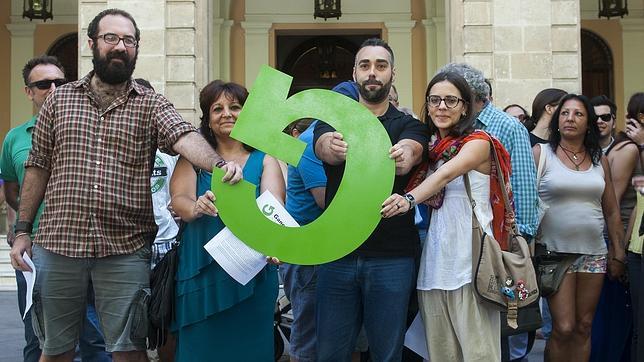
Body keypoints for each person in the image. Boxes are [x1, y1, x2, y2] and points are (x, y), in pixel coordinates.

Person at [8, 9, 243, 361]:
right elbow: (37, 167)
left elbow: (183, 137)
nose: (120, 46)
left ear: (136, 47)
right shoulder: (59, 100)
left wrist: (218, 162)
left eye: (128, 40)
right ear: (92, 43)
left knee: (129, 350)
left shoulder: (151, 104)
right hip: (59, 246)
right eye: (111, 38)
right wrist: (23, 228)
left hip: (124, 249)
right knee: (54, 350)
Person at [381, 70, 510, 361]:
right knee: (441, 354)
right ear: (427, 105)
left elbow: (445, 175)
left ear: (466, 106)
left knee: (479, 354)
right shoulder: (432, 150)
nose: (441, 107)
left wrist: (408, 199)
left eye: (451, 101)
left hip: (471, 261)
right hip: (436, 263)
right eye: (435, 100)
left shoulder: (478, 142)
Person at [313, 38, 429, 361]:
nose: (372, 73)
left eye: (380, 66)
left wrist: (405, 154)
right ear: (354, 74)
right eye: (365, 66)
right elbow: (322, 144)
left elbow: (413, 150)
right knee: (330, 353)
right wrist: (330, 146)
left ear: (393, 73)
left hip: (392, 256)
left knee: (387, 353)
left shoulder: (410, 125)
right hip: (337, 253)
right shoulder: (336, 121)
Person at [0, 55, 111, 362]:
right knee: (39, 338)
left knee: (96, 340)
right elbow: (12, 191)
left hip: (90, 249)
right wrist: (27, 226)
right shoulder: (15, 138)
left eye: (60, 82)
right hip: (36, 251)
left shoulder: (93, 130)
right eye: (43, 84)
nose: (53, 88)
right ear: (29, 92)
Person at [170, 80, 283, 361]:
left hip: (251, 269)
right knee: (200, 349)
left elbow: (275, 210)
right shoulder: (193, 159)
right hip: (200, 270)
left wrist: (276, 246)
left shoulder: (265, 158)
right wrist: (196, 207)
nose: (226, 113)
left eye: (235, 107)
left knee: (250, 350)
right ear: (207, 118)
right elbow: (178, 201)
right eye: (217, 108)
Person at [438, 62, 539, 361]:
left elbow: (522, 185)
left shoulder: (506, 126)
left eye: (457, 96)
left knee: (497, 317)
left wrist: (520, 239)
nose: (449, 103)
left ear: (473, 98)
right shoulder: (452, 128)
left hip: (496, 240)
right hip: (462, 242)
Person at [533, 93, 625, 361]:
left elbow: (611, 210)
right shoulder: (542, 153)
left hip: (594, 253)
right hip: (554, 254)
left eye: (578, 114)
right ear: (557, 120)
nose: (570, 119)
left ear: (589, 123)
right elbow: (524, 202)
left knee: (584, 326)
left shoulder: (600, 160)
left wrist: (617, 252)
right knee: (563, 327)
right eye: (565, 113)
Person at [589, 95, 637, 362]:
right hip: (595, 239)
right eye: (594, 117)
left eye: (605, 117)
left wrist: (616, 250)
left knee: (615, 315)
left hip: (618, 239)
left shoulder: (624, 150)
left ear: (614, 120)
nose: (600, 122)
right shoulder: (587, 150)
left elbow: (612, 203)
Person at [279, 118, 326, 362]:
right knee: (309, 336)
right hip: (308, 250)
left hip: (316, 248)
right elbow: (324, 200)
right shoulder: (309, 142)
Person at [622, 92, 644, 361]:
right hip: (637, 251)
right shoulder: (632, 150)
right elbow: (640, 201)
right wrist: (625, 247)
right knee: (640, 325)